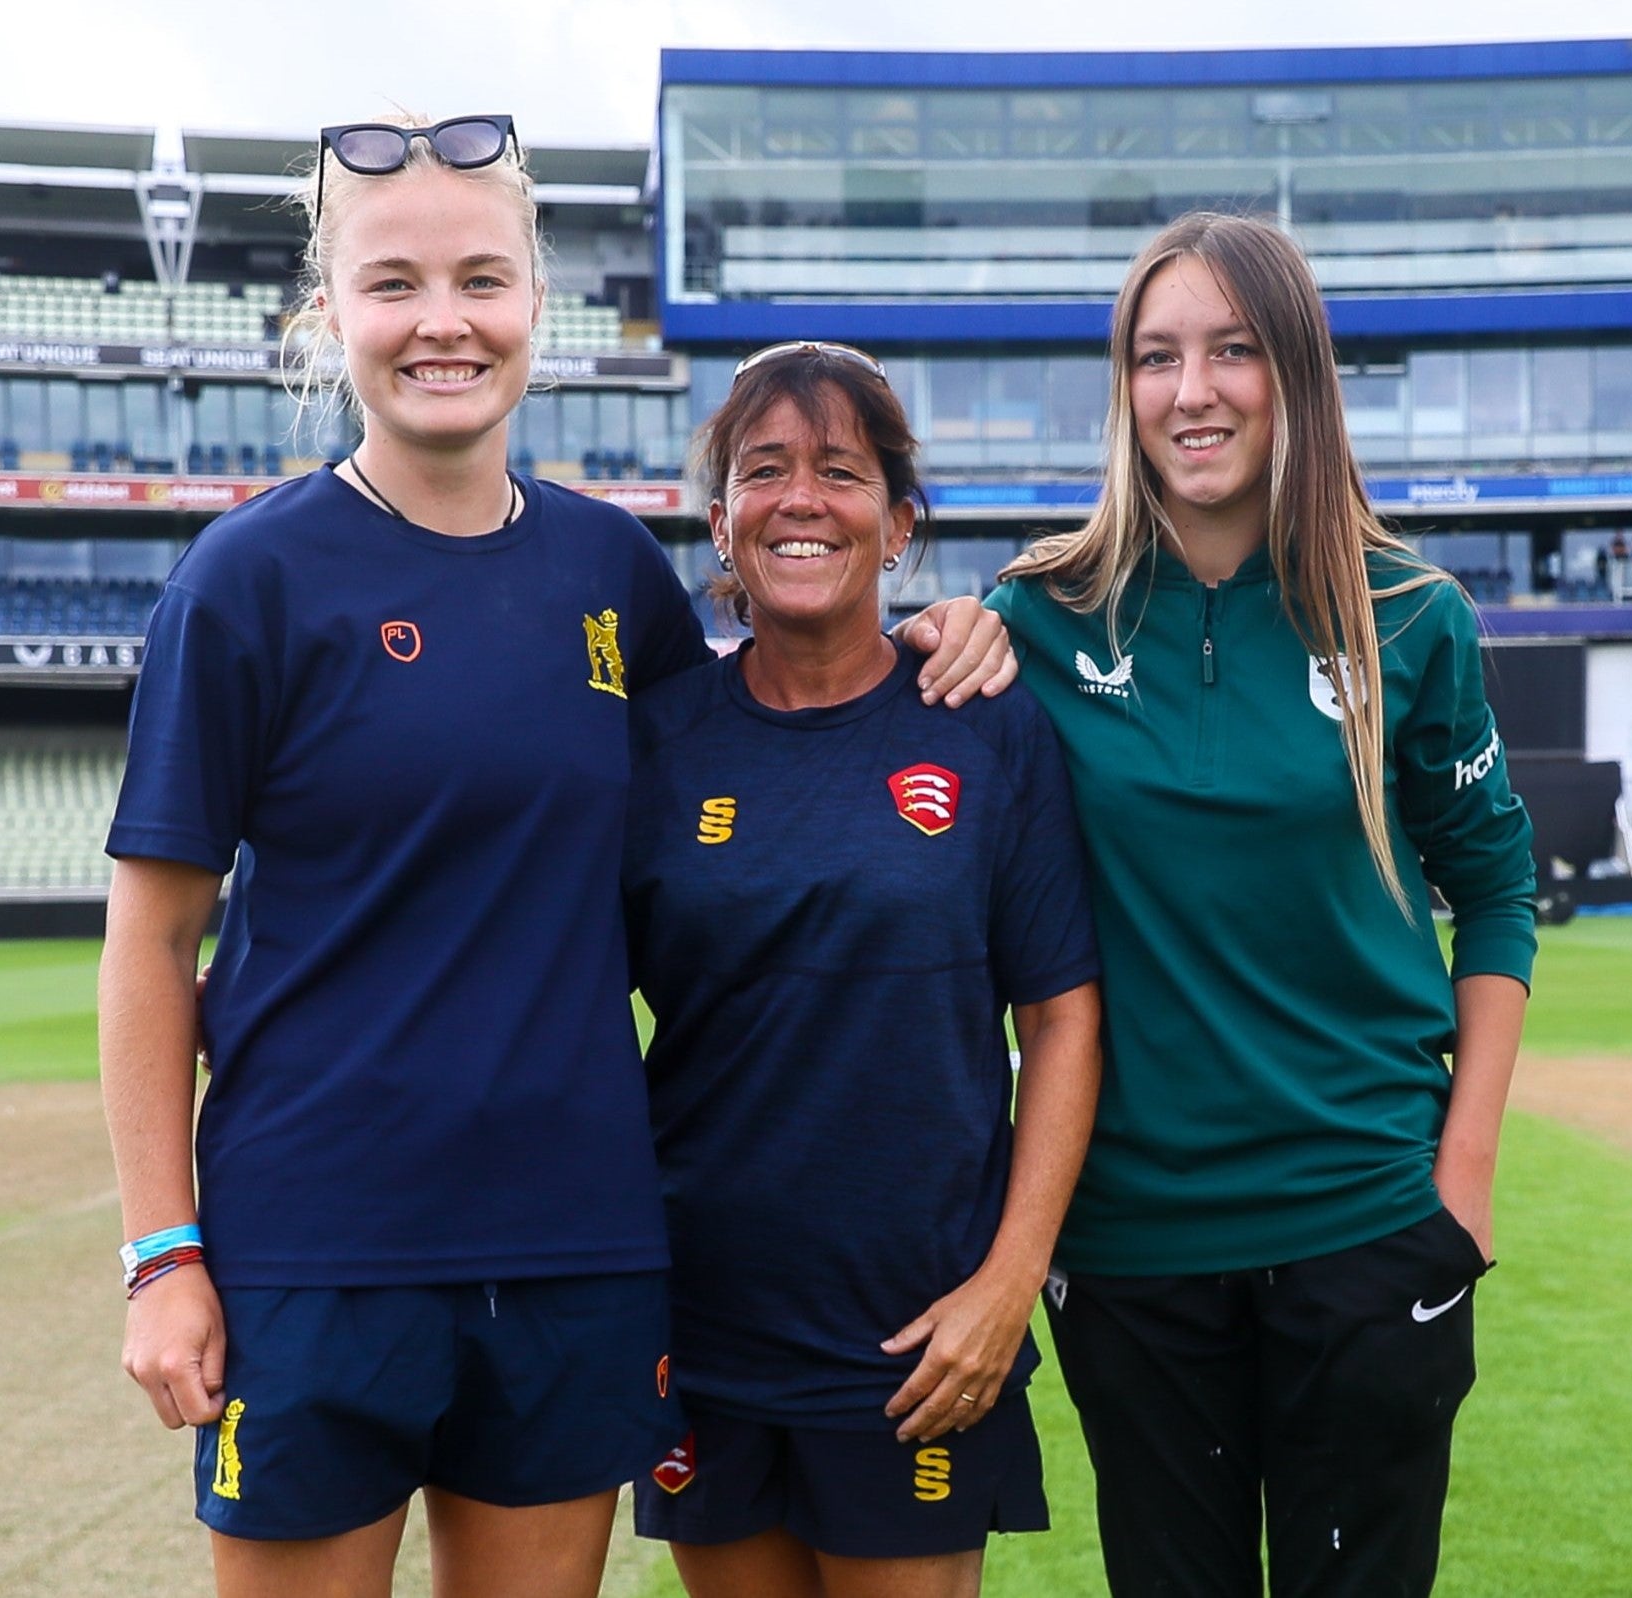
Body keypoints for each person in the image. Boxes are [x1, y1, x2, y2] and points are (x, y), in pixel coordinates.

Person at [97, 114, 1019, 1598]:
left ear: (538, 302)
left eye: (481, 276)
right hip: (317, 1245)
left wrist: (943, 630)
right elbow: (149, 943)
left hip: (577, 1245)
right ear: (330, 313)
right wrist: (163, 1253)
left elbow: (775, 715)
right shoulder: (246, 581)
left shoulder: (611, 578)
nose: (443, 322)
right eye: (394, 285)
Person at [983, 212, 1536, 1598]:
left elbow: (1497, 886)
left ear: (1295, 371)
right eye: (1157, 356)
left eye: (1233, 349)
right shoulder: (1037, 616)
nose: (1193, 389)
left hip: (1364, 1222)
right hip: (1132, 1250)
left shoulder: (1411, 615)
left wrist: (1459, 1182)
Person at [621, 343, 1104, 1598]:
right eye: (764, 469)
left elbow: (1062, 1017)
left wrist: (1009, 1282)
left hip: (919, 1332)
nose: (800, 499)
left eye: (839, 471)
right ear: (721, 522)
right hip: (703, 1324)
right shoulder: (659, 739)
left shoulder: (987, 721)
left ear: (896, 524)